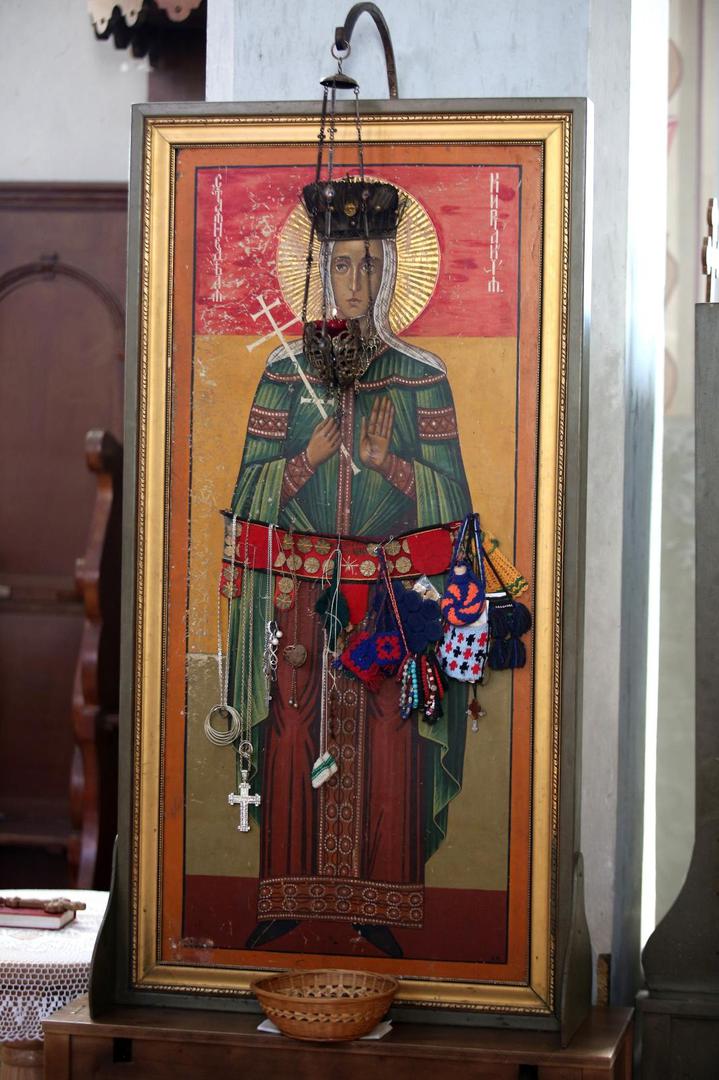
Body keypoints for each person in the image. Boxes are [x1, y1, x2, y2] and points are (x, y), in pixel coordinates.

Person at [226, 179, 524, 957]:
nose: (353, 282)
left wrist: (389, 463)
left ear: (390, 270)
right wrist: (303, 461)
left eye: (368, 264)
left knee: (390, 737)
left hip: (390, 604)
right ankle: (286, 899)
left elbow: (454, 507)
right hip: (299, 602)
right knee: (292, 733)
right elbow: (246, 496)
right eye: (339, 264)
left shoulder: (421, 376)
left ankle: (378, 907)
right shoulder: (283, 374)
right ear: (319, 271)